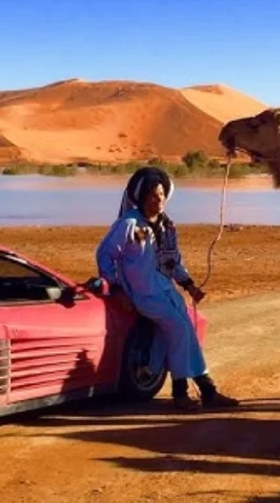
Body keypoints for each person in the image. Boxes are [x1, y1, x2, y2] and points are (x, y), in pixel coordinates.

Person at [95, 166, 239, 411]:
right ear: (141, 198)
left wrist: (190, 286)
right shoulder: (127, 225)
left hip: (167, 293)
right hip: (143, 295)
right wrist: (116, 289)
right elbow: (104, 255)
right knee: (180, 330)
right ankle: (189, 392)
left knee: (183, 333)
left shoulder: (167, 227)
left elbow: (174, 263)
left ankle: (198, 389)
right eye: (152, 195)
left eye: (161, 195)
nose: (158, 200)